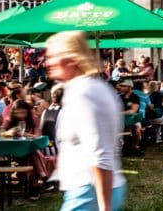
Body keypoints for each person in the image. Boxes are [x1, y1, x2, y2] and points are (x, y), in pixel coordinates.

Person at [46, 31, 125, 211]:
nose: (47, 62)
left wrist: (105, 207)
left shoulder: (85, 92)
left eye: (52, 56)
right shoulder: (83, 89)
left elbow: (100, 154)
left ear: (71, 60)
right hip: (87, 189)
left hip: (89, 191)